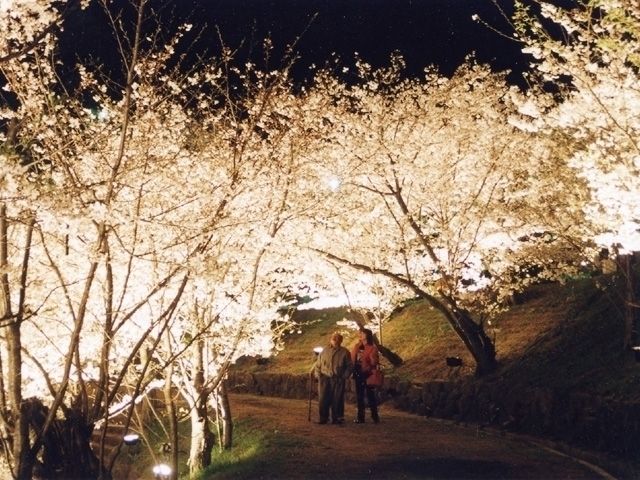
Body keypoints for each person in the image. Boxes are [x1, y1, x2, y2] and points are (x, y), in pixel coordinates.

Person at [313, 332, 352, 424]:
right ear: (330, 339)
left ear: (341, 341)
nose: (335, 339)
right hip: (325, 378)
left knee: (337, 398)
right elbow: (318, 364)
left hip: (338, 378)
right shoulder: (324, 351)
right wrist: (318, 375)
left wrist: (344, 376)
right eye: (333, 338)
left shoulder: (345, 352)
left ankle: (337, 418)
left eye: (337, 338)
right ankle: (323, 418)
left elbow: (349, 366)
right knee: (323, 398)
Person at [351, 328, 380, 424]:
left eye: (362, 333)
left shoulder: (372, 348)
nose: (360, 335)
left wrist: (371, 358)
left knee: (370, 395)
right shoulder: (357, 346)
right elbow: (352, 359)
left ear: (367, 335)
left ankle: (375, 416)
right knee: (359, 396)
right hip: (358, 373)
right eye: (360, 333)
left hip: (367, 373)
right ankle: (360, 417)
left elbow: (374, 362)